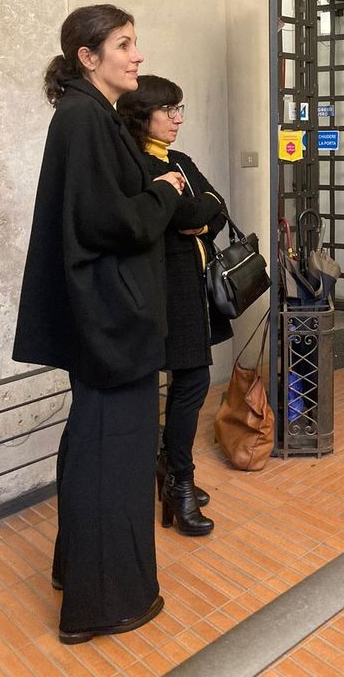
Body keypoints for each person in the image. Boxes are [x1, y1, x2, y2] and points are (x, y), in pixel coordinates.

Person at [13, 5, 184, 643]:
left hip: (108, 318)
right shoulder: (84, 117)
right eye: (124, 44)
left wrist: (158, 181)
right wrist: (165, 192)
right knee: (113, 455)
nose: (137, 55)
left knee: (96, 446)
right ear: (88, 57)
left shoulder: (93, 115)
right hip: (111, 320)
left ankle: (76, 574)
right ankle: (104, 603)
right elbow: (111, 221)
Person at [118, 76, 231, 536]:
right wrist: (193, 213)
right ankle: (175, 479)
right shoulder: (134, 163)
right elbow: (188, 213)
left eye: (179, 109)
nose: (178, 118)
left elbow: (215, 208)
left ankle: (174, 473)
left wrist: (197, 217)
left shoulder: (179, 161)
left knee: (192, 380)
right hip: (155, 290)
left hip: (190, 287)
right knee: (166, 385)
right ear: (143, 113)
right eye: (169, 110)